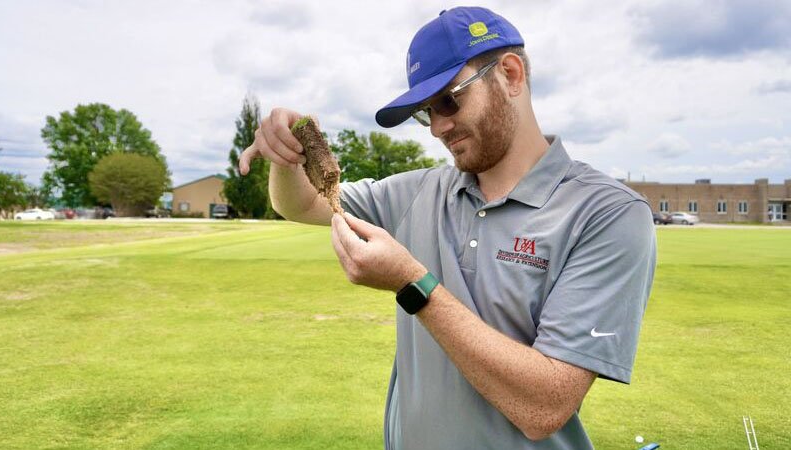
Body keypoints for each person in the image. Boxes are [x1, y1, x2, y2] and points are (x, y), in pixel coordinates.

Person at [239, 6, 657, 450]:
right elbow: (300, 204)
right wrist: (287, 157)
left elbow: (545, 407)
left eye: (448, 100)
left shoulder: (606, 212)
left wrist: (413, 284)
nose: (437, 127)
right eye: (426, 112)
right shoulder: (420, 191)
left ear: (511, 75)